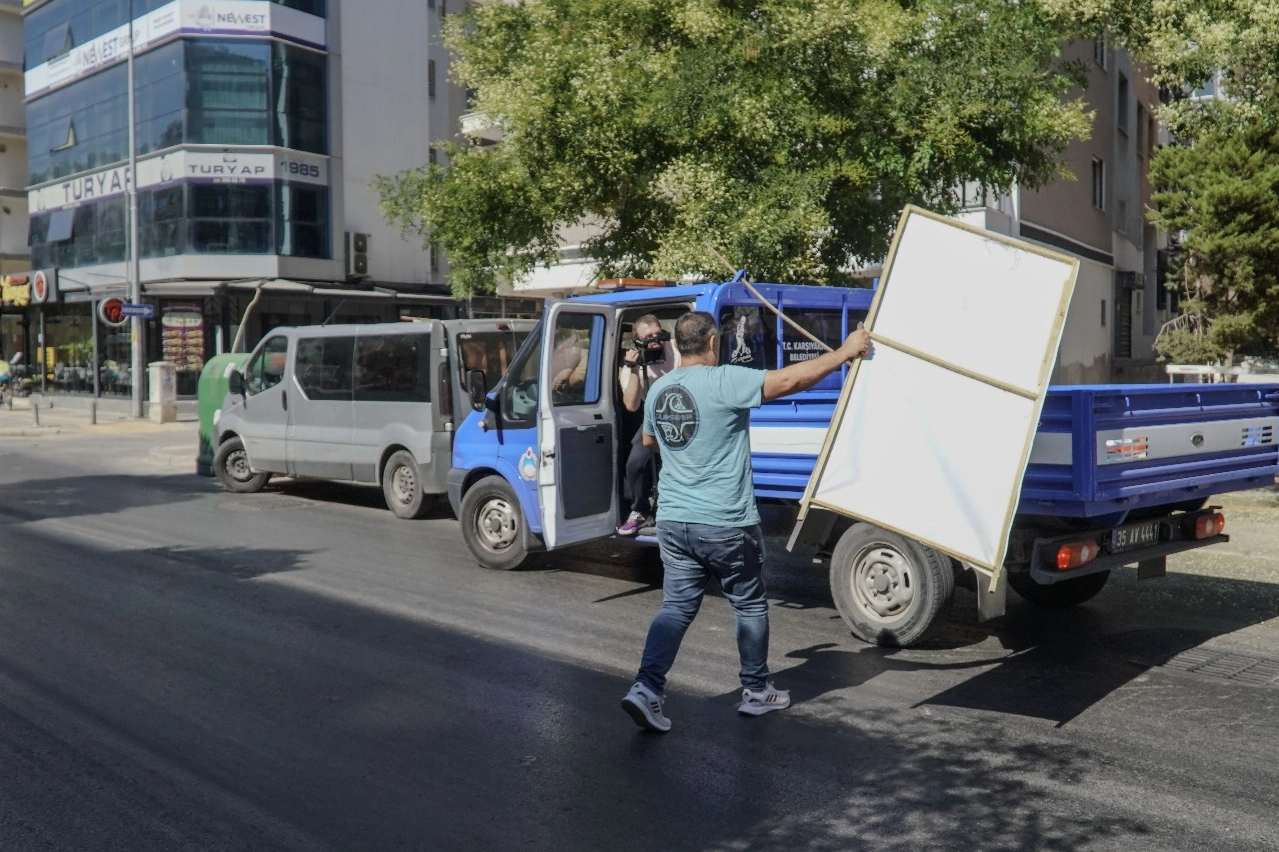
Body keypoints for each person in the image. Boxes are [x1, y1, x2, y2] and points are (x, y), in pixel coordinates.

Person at [621, 310, 872, 732]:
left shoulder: (661, 386)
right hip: (725, 521)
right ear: (713, 342)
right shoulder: (725, 380)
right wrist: (845, 352)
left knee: (676, 607)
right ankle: (756, 692)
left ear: (677, 345)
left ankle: (646, 689)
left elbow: (648, 441)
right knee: (750, 602)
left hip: (674, 520)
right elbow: (790, 380)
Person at [616, 315, 679, 536]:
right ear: (637, 342)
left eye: (658, 334)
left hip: (681, 415)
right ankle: (641, 511)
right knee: (635, 464)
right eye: (648, 337)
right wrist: (633, 368)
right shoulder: (629, 369)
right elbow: (631, 405)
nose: (655, 340)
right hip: (653, 418)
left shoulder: (675, 349)